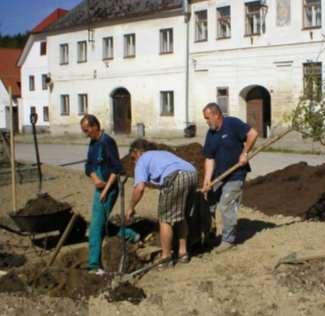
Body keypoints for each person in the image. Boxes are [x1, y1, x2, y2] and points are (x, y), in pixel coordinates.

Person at [81, 114, 139, 275]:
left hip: (110, 189)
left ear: (94, 127)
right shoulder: (93, 143)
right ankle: (131, 235)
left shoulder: (107, 142)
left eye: (87, 130)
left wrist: (105, 189)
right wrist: (95, 179)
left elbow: (117, 169)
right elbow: (88, 166)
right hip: (99, 187)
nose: (86, 134)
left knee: (95, 227)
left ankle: (94, 265)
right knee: (100, 224)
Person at [126, 138, 197, 267]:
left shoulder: (142, 159)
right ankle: (183, 253)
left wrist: (131, 207)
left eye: (133, 158)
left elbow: (139, 188)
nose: (133, 161)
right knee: (180, 215)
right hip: (192, 174)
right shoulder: (161, 154)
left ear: (137, 152)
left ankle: (166, 258)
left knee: (165, 219)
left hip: (176, 177)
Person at [200, 103, 258, 252]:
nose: (206, 121)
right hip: (218, 176)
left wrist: (244, 153)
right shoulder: (211, 133)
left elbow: (253, 134)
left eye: (207, 118)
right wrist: (207, 180)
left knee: (226, 204)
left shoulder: (232, 124)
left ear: (216, 115)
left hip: (235, 174)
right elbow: (209, 158)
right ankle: (209, 234)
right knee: (210, 203)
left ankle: (228, 240)